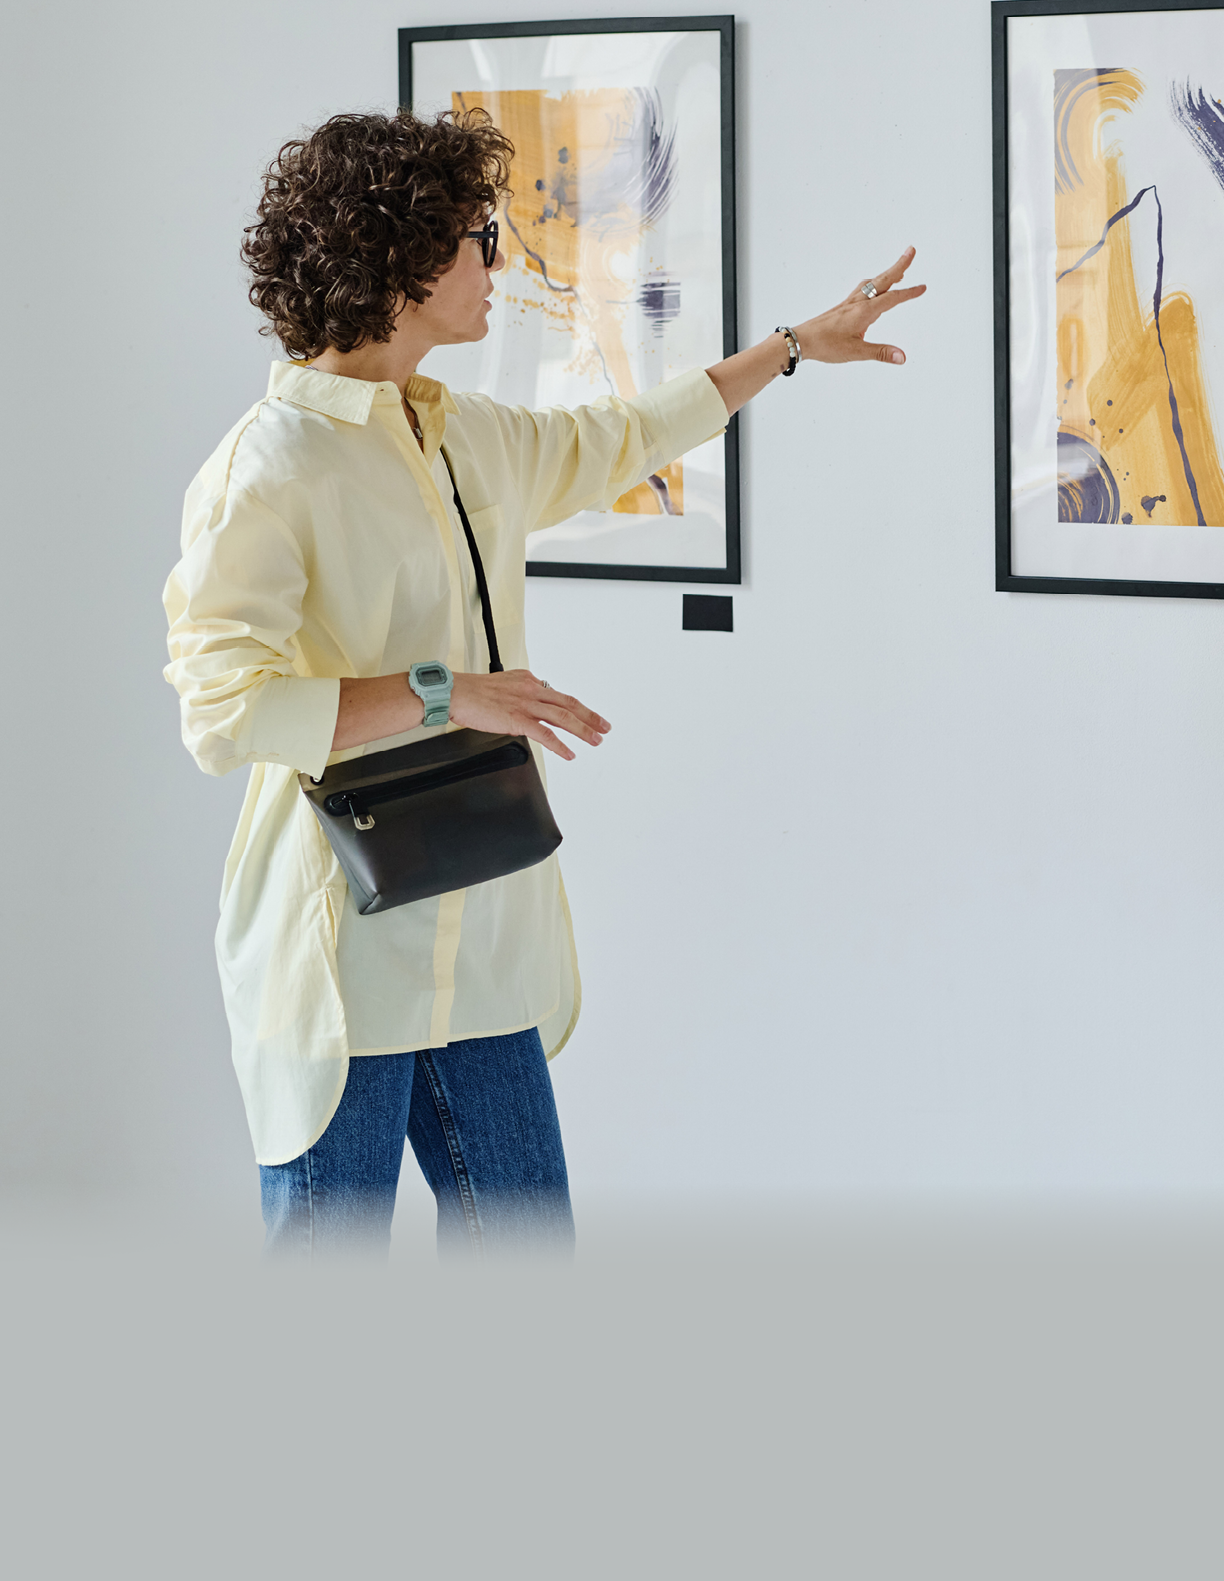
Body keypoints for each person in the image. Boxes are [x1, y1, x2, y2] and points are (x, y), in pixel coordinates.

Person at [164, 107, 925, 1258]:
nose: (498, 261)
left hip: (480, 932)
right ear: (407, 258)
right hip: (340, 954)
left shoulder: (461, 435)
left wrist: (790, 349)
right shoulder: (269, 469)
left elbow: (622, 436)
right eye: (478, 234)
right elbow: (223, 716)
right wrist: (448, 692)